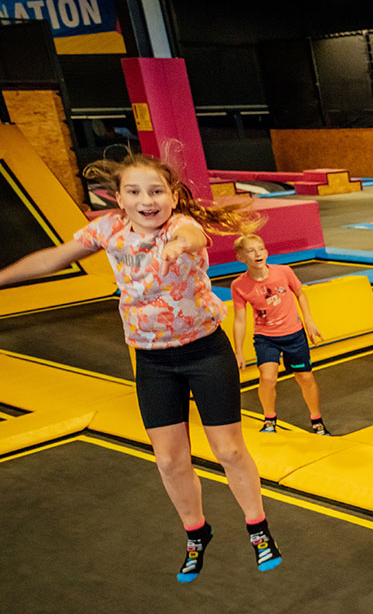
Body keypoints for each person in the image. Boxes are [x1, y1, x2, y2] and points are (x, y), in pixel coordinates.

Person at [0, 155, 282, 581]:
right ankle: (196, 532)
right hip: (152, 360)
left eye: (156, 191)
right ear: (118, 199)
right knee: (168, 460)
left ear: (173, 196)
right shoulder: (108, 229)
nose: (146, 200)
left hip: (205, 352)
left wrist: (176, 246)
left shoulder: (181, 226)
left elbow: (192, 237)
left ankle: (257, 527)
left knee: (228, 450)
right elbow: (52, 259)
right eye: (134, 192)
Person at [230, 233, 327, 435]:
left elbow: (300, 293)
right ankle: (269, 419)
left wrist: (309, 321)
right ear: (241, 257)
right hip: (266, 337)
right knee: (267, 379)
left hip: (294, 334)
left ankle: (316, 420)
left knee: (305, 378)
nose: (258, 254)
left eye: (261, 249)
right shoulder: (239, 285)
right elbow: (239, 320)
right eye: (251, 251)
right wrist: (238, 351)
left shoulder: (283, 272)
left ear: (266, 252)